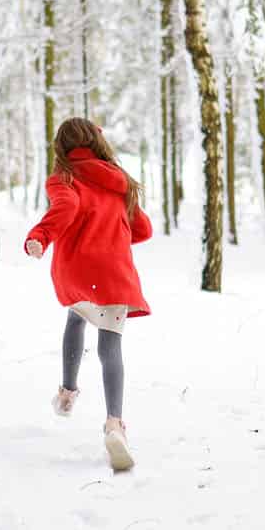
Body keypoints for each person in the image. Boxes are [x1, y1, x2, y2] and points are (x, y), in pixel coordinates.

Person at [25, 118, 153, 472]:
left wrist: (40, 236)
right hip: (114, 273)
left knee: (76, 316)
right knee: (110, 349)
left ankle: (67, 392)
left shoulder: (64, 178)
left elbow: (64, 209)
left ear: (62, 147)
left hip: (78, 270)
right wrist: (111, 231)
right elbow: (142, 229)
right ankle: (115, 424)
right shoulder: (119, 182)